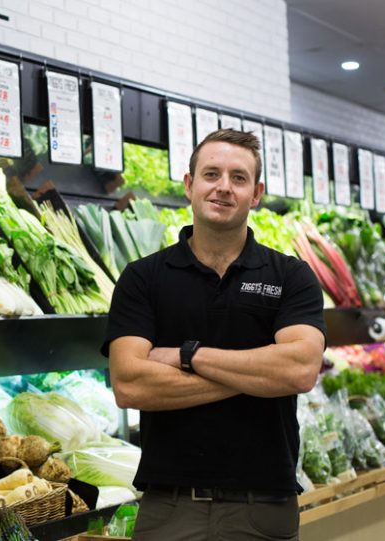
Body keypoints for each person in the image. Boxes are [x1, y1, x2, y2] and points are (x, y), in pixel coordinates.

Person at [104, 129, 327, 540]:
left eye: (239, 178)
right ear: (190, 185)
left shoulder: (291, 277)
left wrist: (187, 356)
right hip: (169, 506)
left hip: (263, 507)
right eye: (211, 174)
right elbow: (130, 384)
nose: (224, 187)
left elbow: (297, 371)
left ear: (256, 193)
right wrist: (257, 376)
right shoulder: (143, 279)